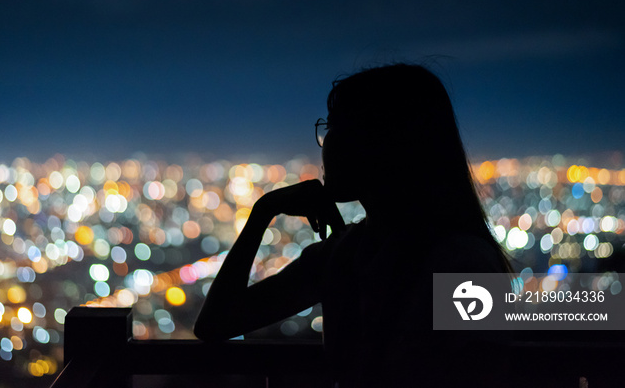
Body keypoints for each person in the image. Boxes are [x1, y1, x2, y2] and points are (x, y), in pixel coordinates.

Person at [194, 64, 512, 387]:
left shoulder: (459, 263)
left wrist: (264, 213)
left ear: (385, 143)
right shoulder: (348, 253)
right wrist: (263, 210)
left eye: (339, 128)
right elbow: (214, 324)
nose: (327, 145)